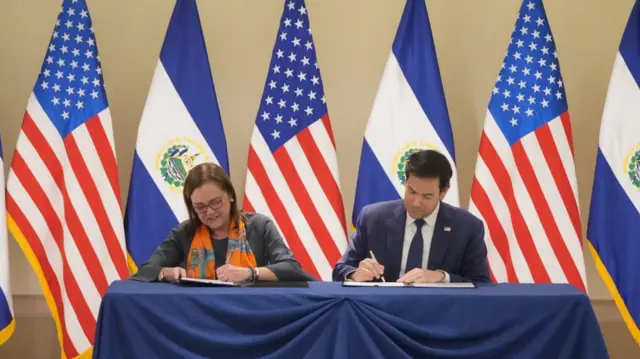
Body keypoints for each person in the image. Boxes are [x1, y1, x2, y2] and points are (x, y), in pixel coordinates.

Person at [132, 162, 315, 283]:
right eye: (200, 207)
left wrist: (250, 273)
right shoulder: (184, 233)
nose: (210, 212)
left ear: (230, 195)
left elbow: (291, 268)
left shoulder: (260, 226)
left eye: (215, 202)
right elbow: (146, 269)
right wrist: (165, 272)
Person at [333, 149, 491, 284]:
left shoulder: (466, 227)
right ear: (405, 182)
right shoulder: (373, 219)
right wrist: (355, 274)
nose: (416, 203)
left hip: (439, 314)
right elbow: (340, 270)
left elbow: (481, 283)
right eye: (412, 191)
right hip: (381, 311)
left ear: (443, 192)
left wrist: (442, 277)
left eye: (427, 196)